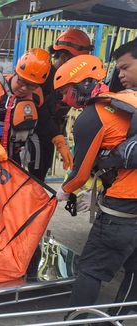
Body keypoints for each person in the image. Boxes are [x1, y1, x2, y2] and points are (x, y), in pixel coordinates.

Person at [54, 52, 137, 320]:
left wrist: (64, 190)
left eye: (67, 92)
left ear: (82, 86)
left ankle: (75, 321)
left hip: (123, 206)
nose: (66, 99)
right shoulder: (128, 99)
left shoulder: (93, 116)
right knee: (135, 270)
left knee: (91, 268)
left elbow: (79, 174)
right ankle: (118, 320)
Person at [0, 48, 68, 192]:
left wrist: (59, 141)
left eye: (31, 85)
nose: (24, 88)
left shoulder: (36, 95)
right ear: (16, 73)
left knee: (5, 201)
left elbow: (45, 122)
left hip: (11, 158)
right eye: (21, 81)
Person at [27, 29, 93, 180]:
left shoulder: (70, 79)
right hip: (33, 135)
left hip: (52, 134)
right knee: (33, 176)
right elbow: (40, 112)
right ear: (63, 58)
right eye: (78, 63)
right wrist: (58, 137)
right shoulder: (42, 77)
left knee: (41, 172)